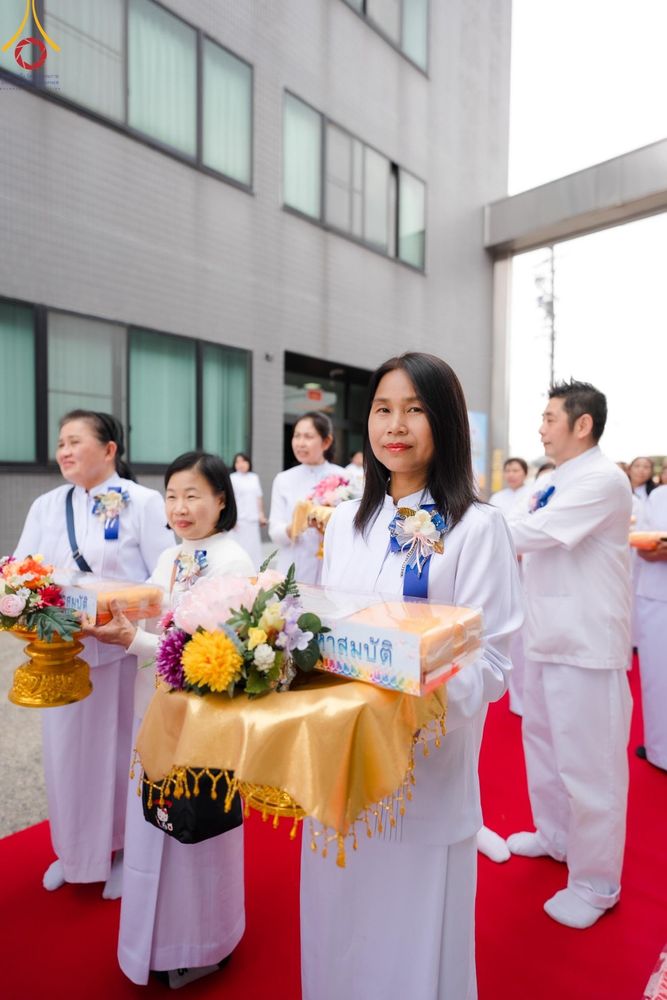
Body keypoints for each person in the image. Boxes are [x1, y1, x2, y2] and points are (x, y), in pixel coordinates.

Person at [300, 353, 522, 1000]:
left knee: (414, 935)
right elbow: (326, 622)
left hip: (426, 765)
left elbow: (493, 661)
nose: (395, 426)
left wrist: (412, 677)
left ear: (445, 422)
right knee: (338, 910)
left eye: (415, 410)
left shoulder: (479, 528)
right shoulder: (345, 520)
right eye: (382, 409)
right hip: (339, 756)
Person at [86, 451, 254, 988]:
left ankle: (204, 942)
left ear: (221, 499)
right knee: (151, 819)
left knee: (195, 826)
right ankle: (153, 943)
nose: (181, 508)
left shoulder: (233, 562)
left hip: (203, 719)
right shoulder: (174, 556)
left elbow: (211, 657)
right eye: (173, 495)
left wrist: (133, 639)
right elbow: (153, 609)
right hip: (154, 707)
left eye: (193, 495)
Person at [13, 410, 173, 895]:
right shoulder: (46, 505)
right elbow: (23, 569)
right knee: (67, 756)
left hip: (120, 655)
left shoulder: (143, 503)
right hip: (61, 655)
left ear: (109, 449)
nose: (63, 450)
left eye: (75, 441)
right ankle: (75, 850)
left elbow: (162, 577)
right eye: (60, 442)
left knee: (118, 753)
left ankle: (124, 849)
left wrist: (117, 610)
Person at [505, 380, 633, 929]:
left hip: (586, 642)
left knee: (592, 768)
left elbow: (533, 534)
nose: (541, 427)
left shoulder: (603, 478)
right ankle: (556, 836)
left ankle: (596, 884)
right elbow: (522, 528)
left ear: (582, 425)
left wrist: (461, 519)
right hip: (545, 634)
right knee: (544, 745)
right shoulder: (555, 480)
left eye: (550, 417)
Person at [268, 412, 345, 584]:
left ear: (326, 442)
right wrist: (294, 526)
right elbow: (274, 531)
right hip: (293, 567)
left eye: (308, 436)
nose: (301, 443)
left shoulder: (344, 478)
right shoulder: (283, 479)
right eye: (297, 436)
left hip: (330, 567)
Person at [490, 456, 532, 717]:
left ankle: (526, 697)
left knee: (525, 629)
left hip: (526, 564)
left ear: (525, 472)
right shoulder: (497, 498)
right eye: (508, 469)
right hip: (502, 564)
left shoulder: (533, 494)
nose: (512, 474)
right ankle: (512, 693)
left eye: (516, 469)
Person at [634, 485, 667, 771]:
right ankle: (659, 748)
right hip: (655, 591)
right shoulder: (658, 497)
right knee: (657, 676)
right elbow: (639, 536)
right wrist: (650, 549)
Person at [230, 451, 266, 570]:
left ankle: (254, 573)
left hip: (252, 520)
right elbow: (231, 499)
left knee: (253, 550)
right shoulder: (232, 478)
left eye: (243, 461)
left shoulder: (254, 477)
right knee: (238, 549)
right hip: (239, 521)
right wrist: (232, 518)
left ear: (248, 463)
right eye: (237, 462)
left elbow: (258, 497)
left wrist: (261, 514)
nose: (240, 464)